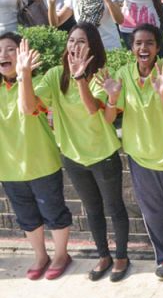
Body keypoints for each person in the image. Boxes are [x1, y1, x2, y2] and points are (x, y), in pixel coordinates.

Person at [19, 24, 131, 281]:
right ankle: (104, 256)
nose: (74, 46)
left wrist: (80, 77)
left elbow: (93, 109)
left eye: (81, 42)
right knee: (92, 209)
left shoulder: (102, 75)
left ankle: (122, 256)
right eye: (71, 41)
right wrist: (24, 74)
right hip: (73, 156)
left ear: (92, 46)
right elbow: (28, 108)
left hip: (103, 156)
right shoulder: (56, 75)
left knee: (114, 207)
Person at [102, 24, 163, 281]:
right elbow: (110, 117)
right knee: (154, 212)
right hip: (139, 156)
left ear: (158, 47)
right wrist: (112, 97)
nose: (144, 48)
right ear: (132, 47)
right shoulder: (123, 74)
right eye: (139, 43)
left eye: (150, 43)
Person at [3, 34, 74, 280]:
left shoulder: (39, 83)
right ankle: (40, 255)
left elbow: (28, 107)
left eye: (11, 49)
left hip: (42, 163)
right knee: (26, 217)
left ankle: (61, 254)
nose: (3, 54)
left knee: (54, 212)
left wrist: (23, 76)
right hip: (9, 167)